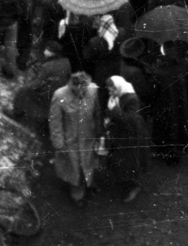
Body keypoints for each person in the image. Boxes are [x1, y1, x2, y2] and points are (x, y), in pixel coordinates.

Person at [49, 70, 102, 204]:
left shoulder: (93, 90)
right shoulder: (59, 95)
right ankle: (76, 188)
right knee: (73, 167)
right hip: (70, 141)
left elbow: (97, 113)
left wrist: (99, 132)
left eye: (84, 91)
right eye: (78, 91)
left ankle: (88, 182)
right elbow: (55, 123)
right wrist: (59, 144)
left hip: (88, 137)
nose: (82, 94)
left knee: (89, 161)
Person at [104, 84, 150, 203]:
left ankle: (134, 186)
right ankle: (125, 181)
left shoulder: (132, 98)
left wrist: (114, 110)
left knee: (131, 161)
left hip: (132, 136)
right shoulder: (117, 97)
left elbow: (131, 120)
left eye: (112, 88)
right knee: (121, 160)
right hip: (121, 135)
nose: (110, 91)